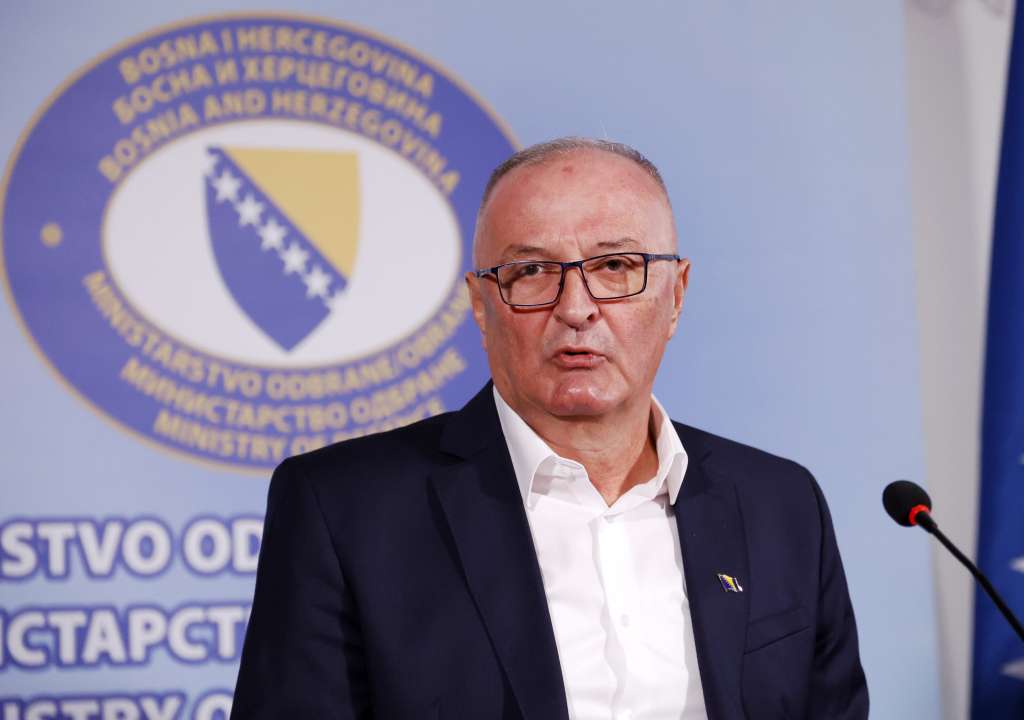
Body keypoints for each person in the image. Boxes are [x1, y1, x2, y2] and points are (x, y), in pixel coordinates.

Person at [231, 138, 869, 719]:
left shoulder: (781, 505)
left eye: (616, 266)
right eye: (531, 272)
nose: (577, 308)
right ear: (482, 305)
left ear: (676, 295)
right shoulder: (346, 510)